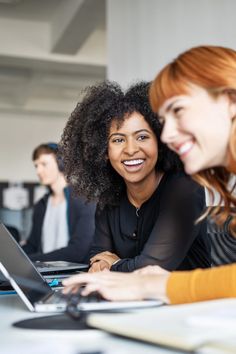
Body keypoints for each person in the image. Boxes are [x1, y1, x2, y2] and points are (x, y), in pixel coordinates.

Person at [63, 45, 236, 304]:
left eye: (178, 111)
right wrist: (153, 284)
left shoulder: (182, 188)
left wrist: (150, 283)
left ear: (230, 102)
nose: (166, 136)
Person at [60, 81, 211, 275]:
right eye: (118, 140)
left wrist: (114, 265)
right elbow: (98, 258)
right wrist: (106, 265)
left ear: (161, 142)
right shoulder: (109, 199)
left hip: (186, 302)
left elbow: (152, 268)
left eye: (142, 137)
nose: (131, 150)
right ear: (103, 151)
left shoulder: (185, 189)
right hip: (131, 301)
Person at [22, 143, 96, 262]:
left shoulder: (85, 201)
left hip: (71, 274)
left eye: (44, 164)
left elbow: (77, 251)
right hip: (44, 272)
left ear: (61, 163)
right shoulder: (41, 205)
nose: (38, 171)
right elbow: (32, 245)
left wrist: (30, 261)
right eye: (36, 166)